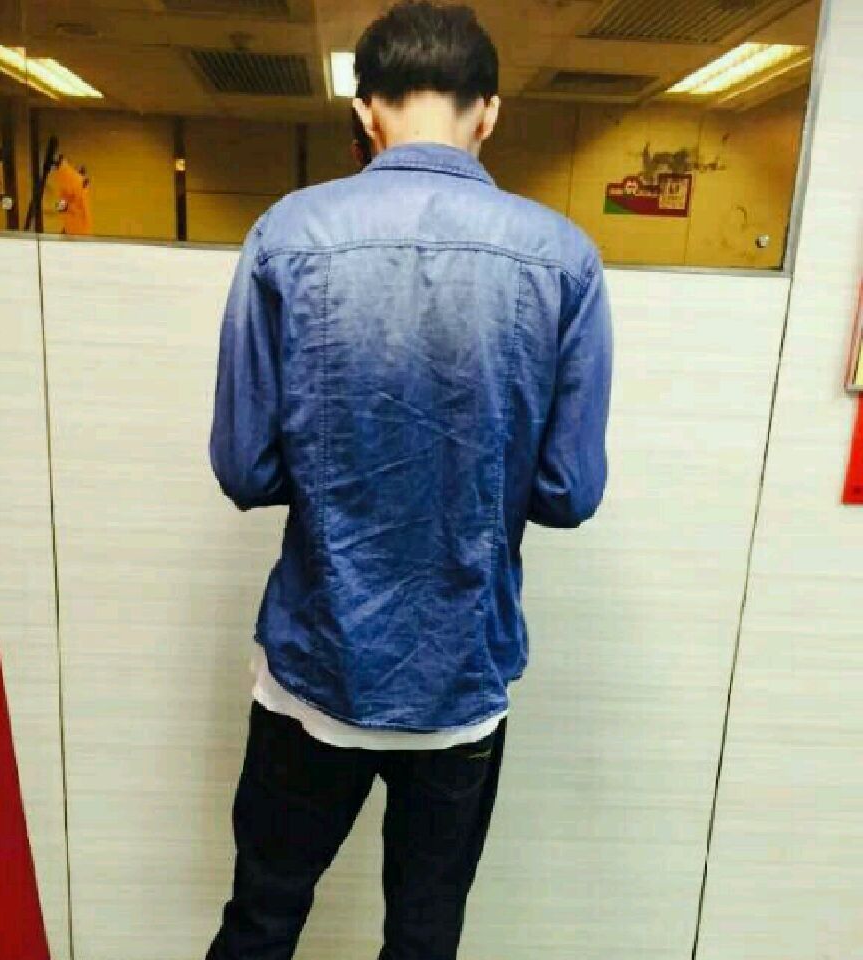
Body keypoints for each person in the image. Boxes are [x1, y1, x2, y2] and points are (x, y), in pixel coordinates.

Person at [206, 2, 612, 958]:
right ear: (490, 113)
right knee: (425, 938)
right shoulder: (563, 258)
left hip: (314, 670)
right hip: (460, 681)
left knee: (262, 920)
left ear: (365, 110)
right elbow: (569, 493)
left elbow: (245, 466)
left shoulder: (287, 234)